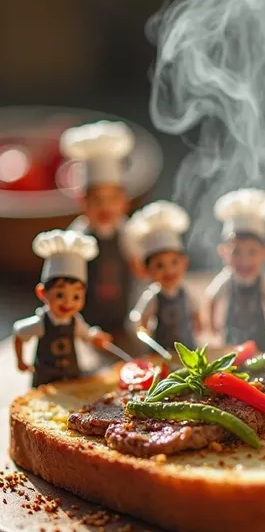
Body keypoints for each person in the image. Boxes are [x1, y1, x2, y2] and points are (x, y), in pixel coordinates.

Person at [60, 120, 143, 337]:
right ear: (82, 202)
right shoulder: (77, 234)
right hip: (87, 315)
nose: (105, 207)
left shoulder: (127, 232)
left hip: (121, 309)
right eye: (97, 200)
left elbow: (138, 266)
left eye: (112, 199)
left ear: (124, 201)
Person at [13, 230, 112, 388]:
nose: (68, 303)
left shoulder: (76, 321)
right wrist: (20, 361)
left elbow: (87, 334)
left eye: (76, 297)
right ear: (42, 293)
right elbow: (19, 334)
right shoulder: (40, 323)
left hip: (72, 378)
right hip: (45, 381)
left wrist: (97, 337)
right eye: (60, 294)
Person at [206, 188, 265, 351]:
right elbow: (211, 298)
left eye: (252, 252)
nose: (244, 260)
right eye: (236, 252)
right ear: (223, 252)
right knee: (233, 357)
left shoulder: (262, 281)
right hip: (232, 331)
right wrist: (210, 322)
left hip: (258, 332)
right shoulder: (227, 279)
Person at [127, 201, 200, 351]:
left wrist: (199, 323)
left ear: (184, 263)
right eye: (159, 265)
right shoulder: (152, 297)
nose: (168, 270)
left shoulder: (185, 292)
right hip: (161, 349)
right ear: (146, 271)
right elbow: (139, 319)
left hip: (187, 346)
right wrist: (142, 329)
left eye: (174, 263)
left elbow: (195, 311)